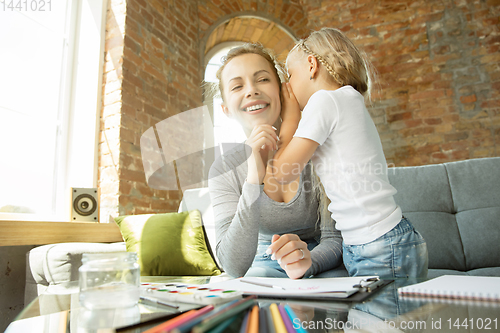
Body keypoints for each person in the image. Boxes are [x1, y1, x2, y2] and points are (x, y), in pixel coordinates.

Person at [269, 28, 428, 278]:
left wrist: (290, 118)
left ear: (311, 65)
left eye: (290, 74)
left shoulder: (324, 101)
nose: (288, 85)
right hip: (383, 240)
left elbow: (282, 173)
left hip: (378, 245)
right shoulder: (349, 99)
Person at [207, 43, 345, 279]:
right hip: (262, 263)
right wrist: (253, 177)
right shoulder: (224, 169)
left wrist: (308, 262)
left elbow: (335, 238)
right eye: (237, 86)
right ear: (226, 109)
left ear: (282, 90)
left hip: (321, 260)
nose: (251, 91)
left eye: (262, 80)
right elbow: (232, 264)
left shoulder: (318, 146)